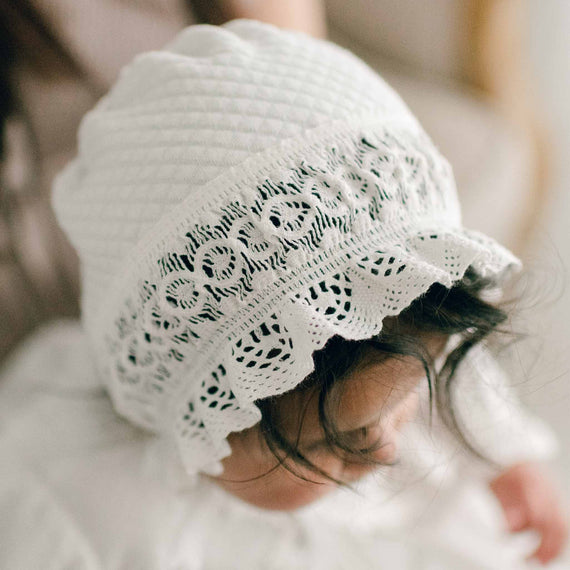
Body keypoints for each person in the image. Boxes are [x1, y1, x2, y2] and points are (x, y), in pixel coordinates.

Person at [0, 19, 567, 569]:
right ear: (210, 418)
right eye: (340, 438)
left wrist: (503, 460)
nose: (390, 451)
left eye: (403, 402)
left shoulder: (392, 345)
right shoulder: (90, 512)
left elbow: (457, 378)